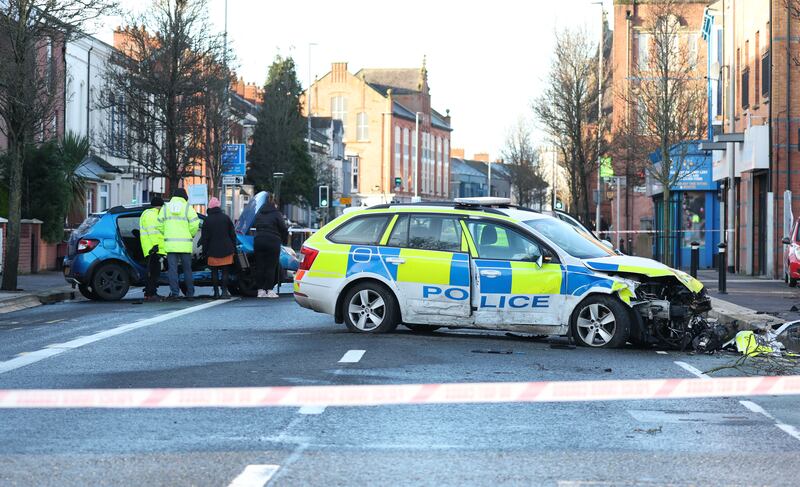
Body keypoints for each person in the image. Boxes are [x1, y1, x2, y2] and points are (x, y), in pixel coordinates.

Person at [158, 187, 200, 300]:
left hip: (170, 244)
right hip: (185, 244)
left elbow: (159, 224)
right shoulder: (187, 208)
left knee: (172, 270)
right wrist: (190, 234)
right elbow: (195, 224)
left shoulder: (165, 207)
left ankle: (175, 293)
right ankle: (190, 293)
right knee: (187, 269)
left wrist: (167, 233)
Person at [200, 197, 236, 299]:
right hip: (226, 249)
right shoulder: (226, 218)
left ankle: (216, 293)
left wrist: (205, 252)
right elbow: (232, 234)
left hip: (212, 250)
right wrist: (234, 248)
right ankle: (224, 292)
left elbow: (205, 238)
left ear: (210, 208)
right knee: (225, 271)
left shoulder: (207, 220)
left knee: (214, 272)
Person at [253, 198, 288, 298]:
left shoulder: (259, 213)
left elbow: (255, 225)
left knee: (259, 266)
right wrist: (284, 240)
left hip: (259, 240)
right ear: (274, 205)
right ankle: (269, 290)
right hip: (272, 241)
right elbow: (283, 228)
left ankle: (260, 290)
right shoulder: (276, 214)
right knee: (271, 267)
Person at [139, 196, 165, 302]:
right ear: (159, 206)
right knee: (154, 273)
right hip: (153, 248)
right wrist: (156, 246)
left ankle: (150, 293)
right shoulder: (152, 215)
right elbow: (153, 232)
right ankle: (151, 294)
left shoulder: (147, 214)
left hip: (149, 247)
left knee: (152, 272)